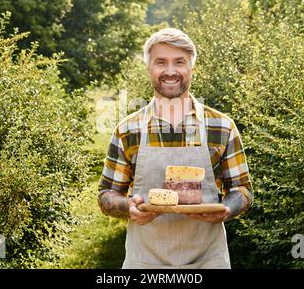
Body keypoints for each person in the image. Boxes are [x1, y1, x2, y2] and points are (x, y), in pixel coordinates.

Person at [97, 28, 252, 269]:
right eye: (161, 62)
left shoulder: (221, 126)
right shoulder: (128, 130)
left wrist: (226, 210)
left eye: (179, 62)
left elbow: (242, 190)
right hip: (145, 262)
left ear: (192, 68)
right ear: (149, 68)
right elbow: (106, 194)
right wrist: (128, 207)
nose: (170, 71)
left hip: (208, 261)